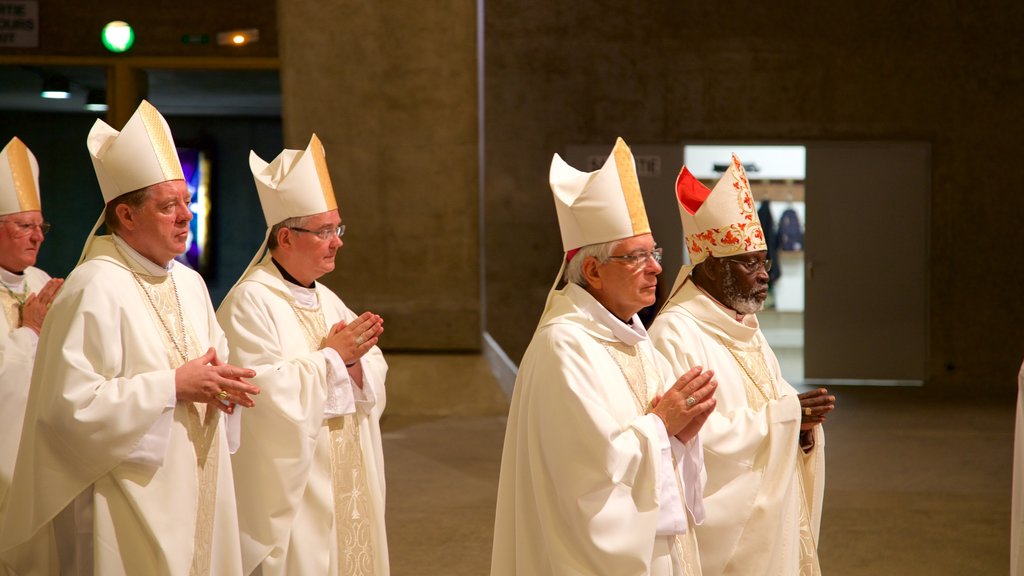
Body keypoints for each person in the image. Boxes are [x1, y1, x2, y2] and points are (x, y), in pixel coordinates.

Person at [0, 100, 260, 576]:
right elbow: (69, 407)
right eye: (168, 206)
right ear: (127, 214)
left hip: (197, 478)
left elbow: (208, 364)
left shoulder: (190, 283)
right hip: (126, 493)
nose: (186, 215)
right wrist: (173, 386)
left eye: (186, 201)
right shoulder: (94, 285)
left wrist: (225, 385)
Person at [491, 138, 718, 576]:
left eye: (655, 253)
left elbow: (650, 439)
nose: (655, 267)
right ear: (592, 271)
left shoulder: (635, 337)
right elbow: (586, 471)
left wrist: (680, 436)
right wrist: (662, 426)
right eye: (637, 257)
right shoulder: (564, 345)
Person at [649, 155, 835, 576]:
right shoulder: (675, 333)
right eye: (750, 263)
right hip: (723, 533)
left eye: (764, 262)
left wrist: (801, 430)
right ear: (714, 267)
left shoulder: (743, 324)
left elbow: (772, 396)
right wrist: (786, 419)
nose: (765, 275)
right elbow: (693, 439)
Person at [217, 135, 388, 576]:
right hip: (299, 486)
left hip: (347, 476)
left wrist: (353, 361)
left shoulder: (329, 300)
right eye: (325, 231)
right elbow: (256, 391)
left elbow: (371, 370)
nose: (337, 243)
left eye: (338, 229)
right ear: (287, 237)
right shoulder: (250, 301)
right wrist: (332, 359)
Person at [0, 137, 63, 574]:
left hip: (42, 448)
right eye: (25, 226)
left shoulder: (41, 280)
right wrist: (30, 332)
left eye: (41, 226)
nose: (38, 236)